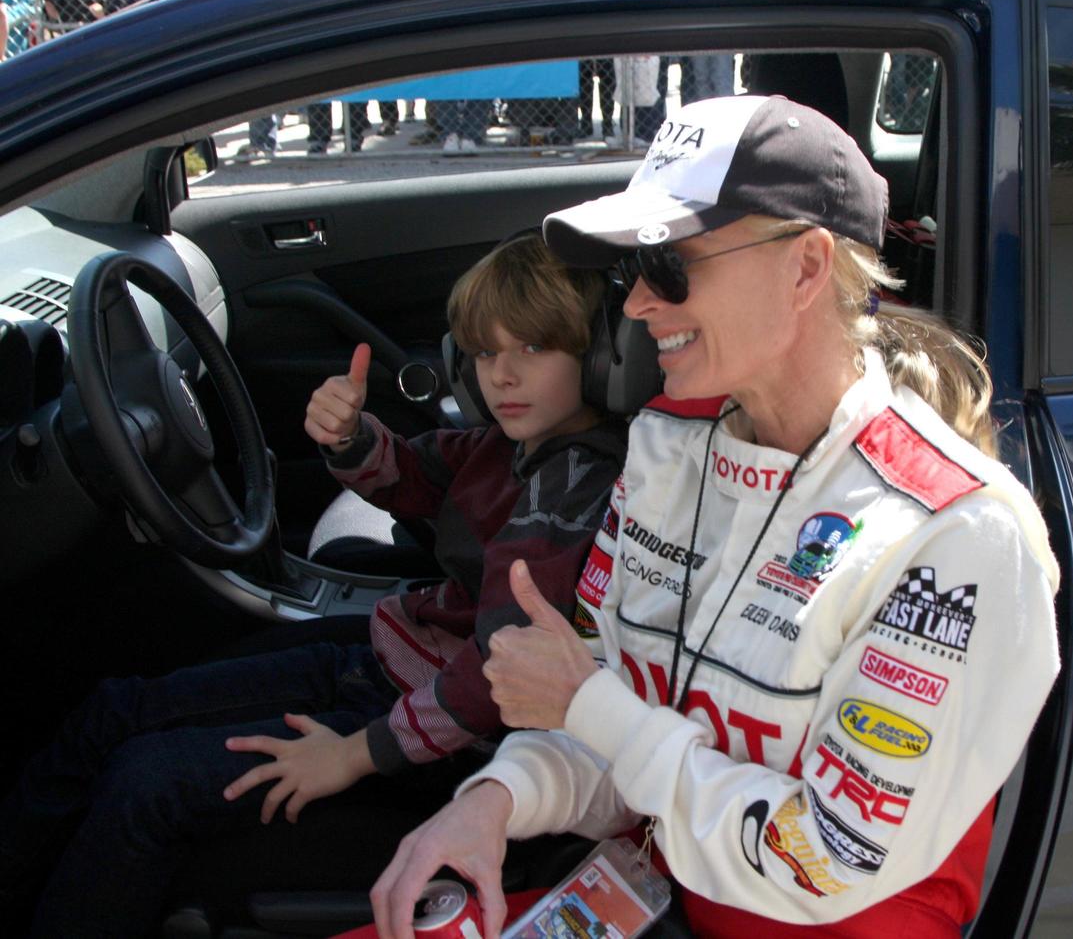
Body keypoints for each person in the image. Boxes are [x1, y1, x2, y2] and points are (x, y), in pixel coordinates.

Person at [369, 95, 1061, 938]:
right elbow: (608, 717)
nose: (633, 308)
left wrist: (588, 706)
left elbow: (824, 859)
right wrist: (498, 797)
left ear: (806, 268)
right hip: (657, 903)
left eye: (669, 268)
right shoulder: (665, 448)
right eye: (631, 274)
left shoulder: (958, 533)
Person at [0, 233, 628, 938]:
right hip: (392, 660)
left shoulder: (573, 487)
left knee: (145, 786)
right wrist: (352, 438)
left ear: (602, 357)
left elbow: (498, 674)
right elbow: (419, 477)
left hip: (441, 738)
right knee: (113, 713)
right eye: (484, 353)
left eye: (533, 350)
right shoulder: (510, 444)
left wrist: (351, 755)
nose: (501, 376)